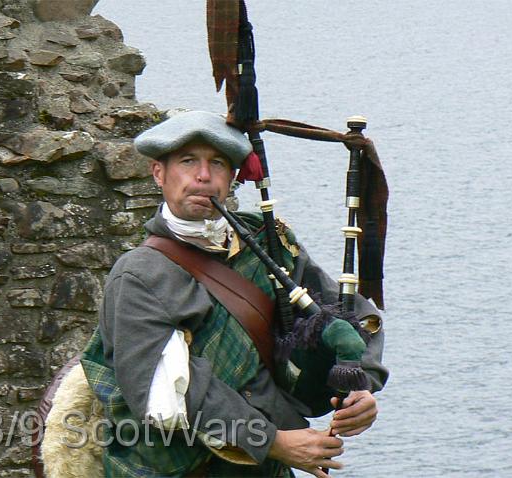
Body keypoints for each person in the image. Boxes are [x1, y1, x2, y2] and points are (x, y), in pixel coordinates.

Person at [81, 110, 388, 477]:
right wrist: (273, 442)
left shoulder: (270, 243)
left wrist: (360, 383)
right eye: (187, 161)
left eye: (218, 164)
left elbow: (344, 314)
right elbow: (165, 393)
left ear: (232, 178)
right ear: (159, 173)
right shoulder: (138, 275)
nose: (203, 176)